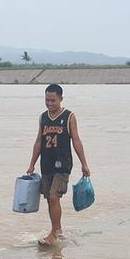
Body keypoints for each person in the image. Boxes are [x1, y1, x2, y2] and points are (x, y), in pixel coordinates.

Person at [26, 84, 91, 245]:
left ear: (61, 99)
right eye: (47, 100)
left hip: (63, 164)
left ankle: (53, 234)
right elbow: (39, 141)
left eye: (53, 100)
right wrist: (32, 164)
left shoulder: (69, 116)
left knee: (55, 197)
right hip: (46, 164)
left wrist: (84, 164)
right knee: (49, 199)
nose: (49, 103)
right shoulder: (43, 117)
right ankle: (58, 229)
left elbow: (76, 140)